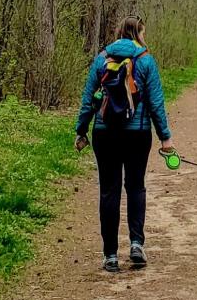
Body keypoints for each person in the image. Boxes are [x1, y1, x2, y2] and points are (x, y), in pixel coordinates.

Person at [75, 17, 175, 272]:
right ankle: (136, 244)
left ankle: (110, 255)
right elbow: (156, 103)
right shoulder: (145, 60)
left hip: (104, 134)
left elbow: (89, 99)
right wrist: (165, 138)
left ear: (118, 33)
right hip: (137, 134)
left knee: (109, 191)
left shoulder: (102, 59)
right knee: (135, 187)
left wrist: (81, 130)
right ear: (138, 33)